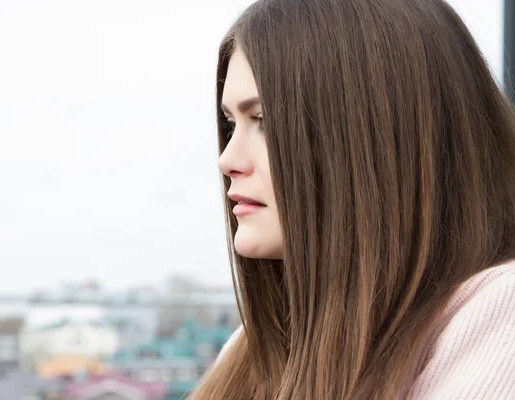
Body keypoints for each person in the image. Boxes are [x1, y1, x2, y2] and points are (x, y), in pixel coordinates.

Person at [189, 0, 515, 399]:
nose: (228, 160)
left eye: (265, 121)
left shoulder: (501, 316)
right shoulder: (254, 347)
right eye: (230, 123)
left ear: (379, 135)